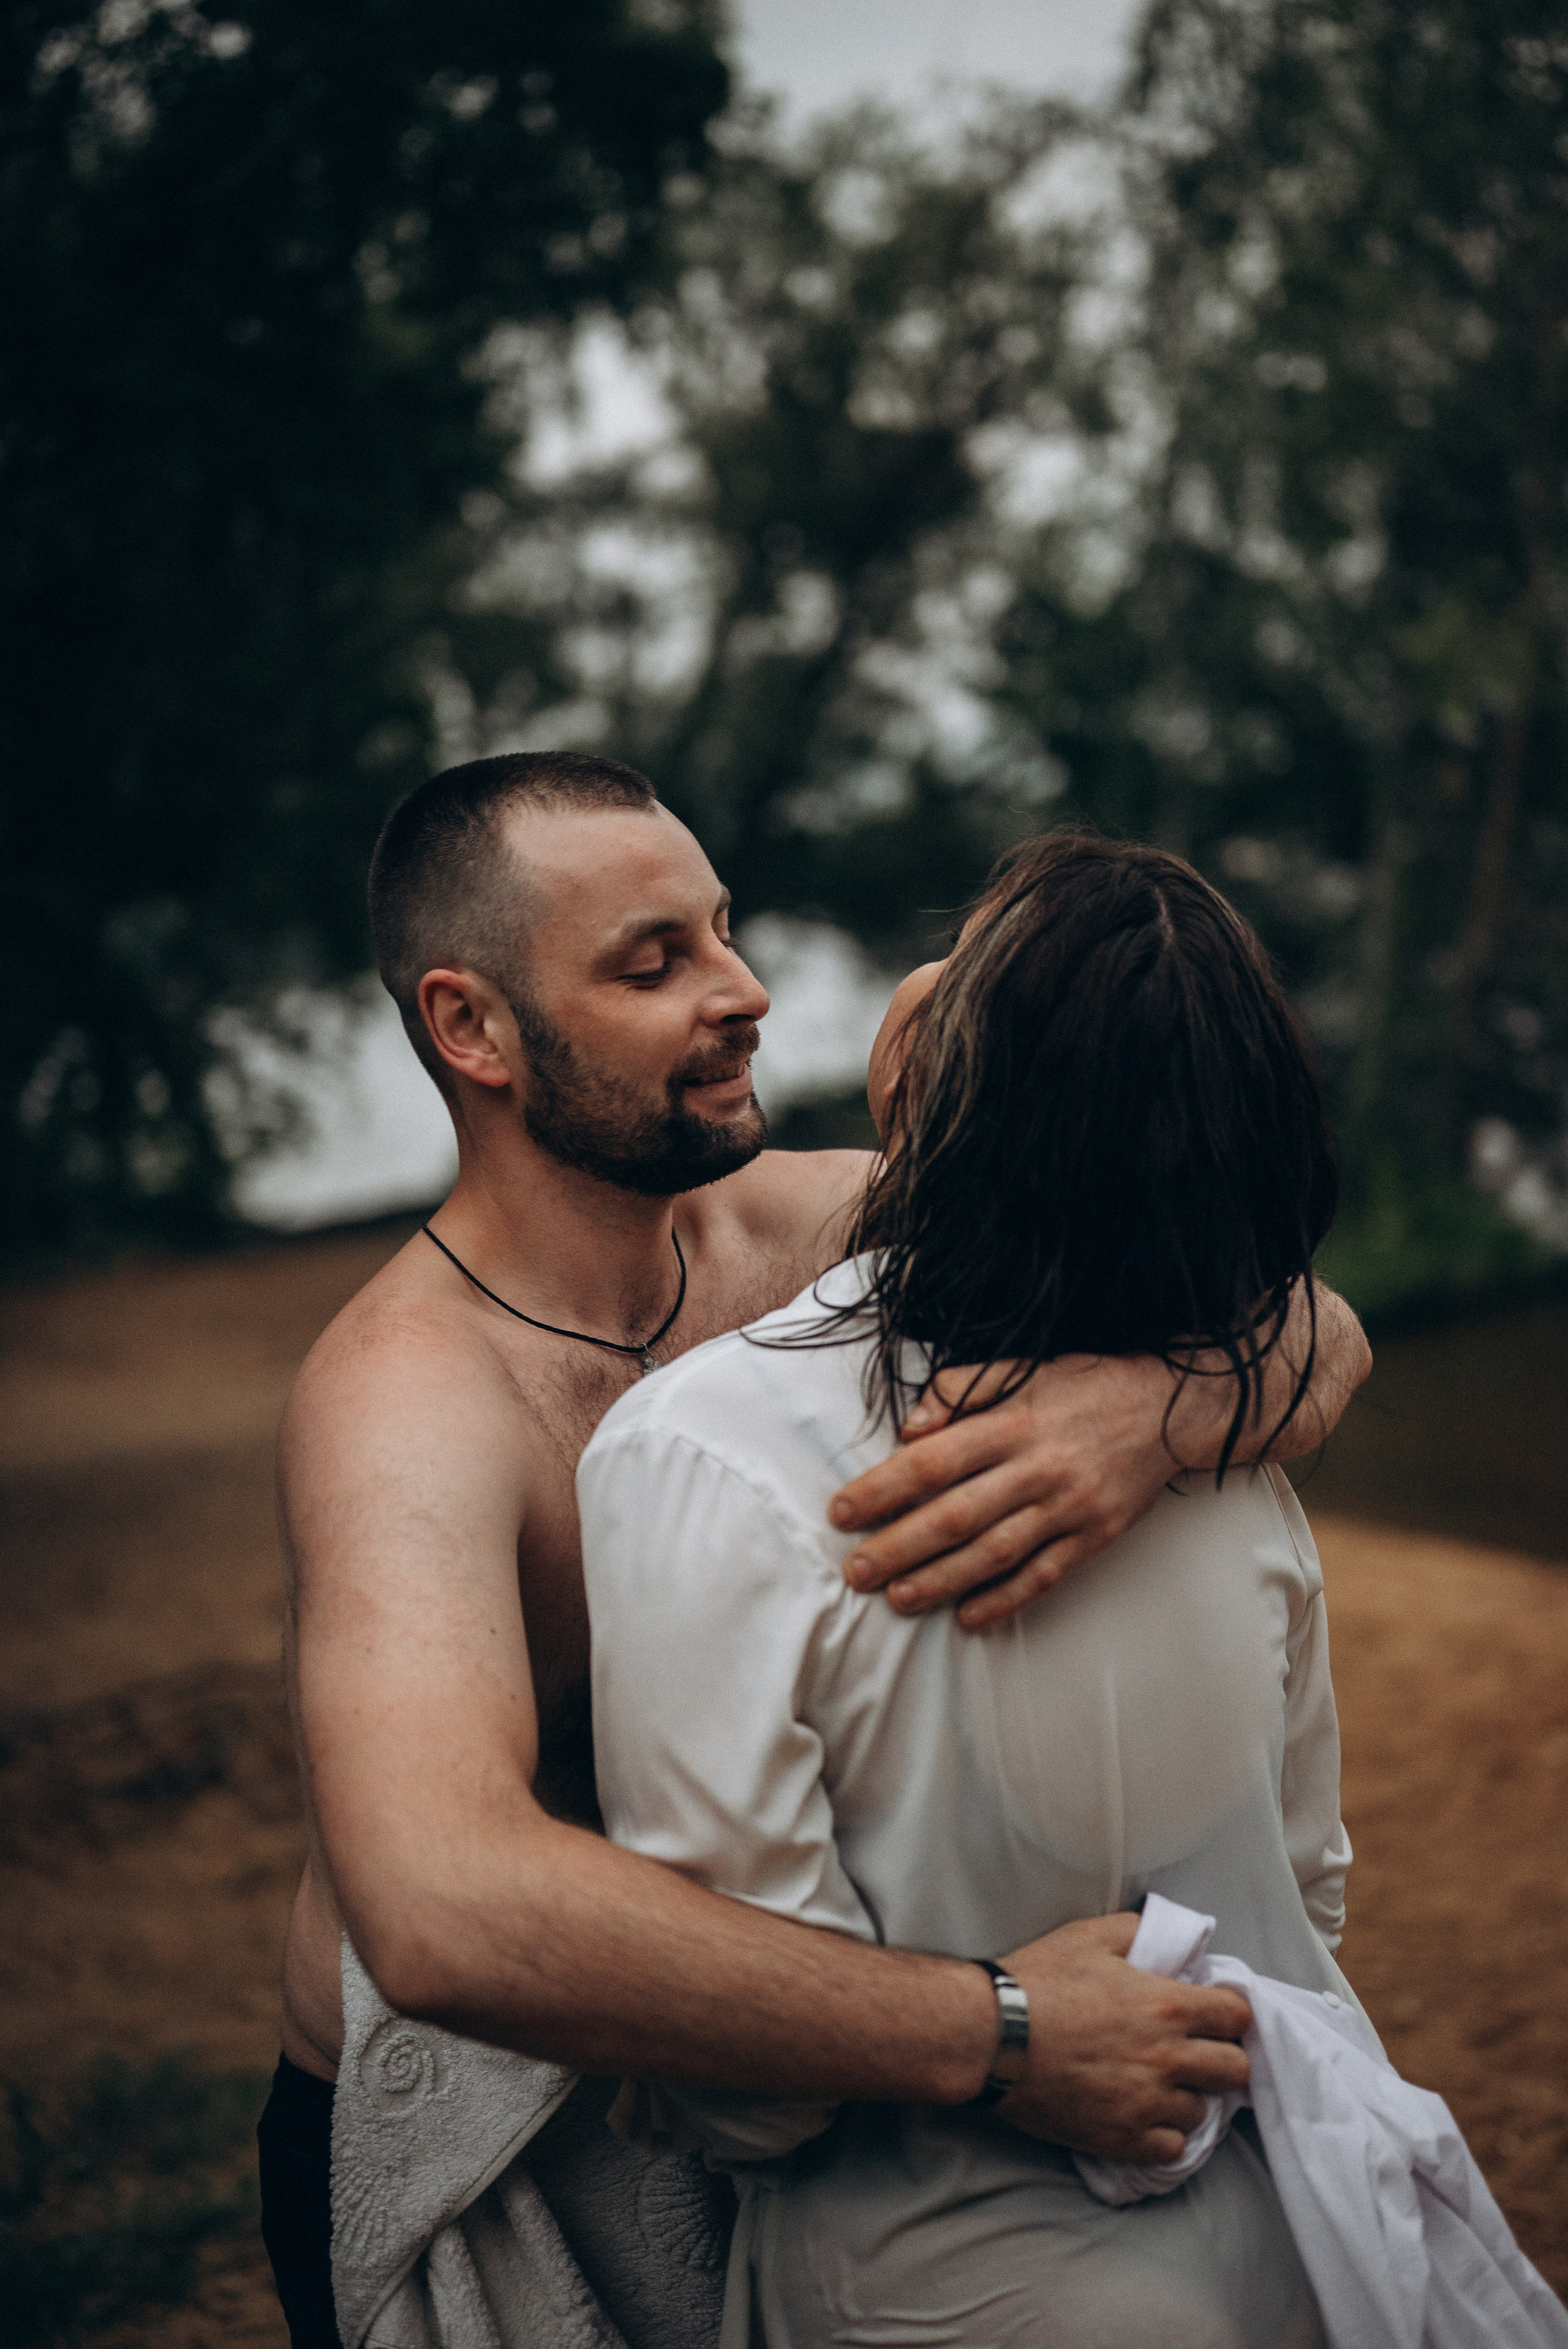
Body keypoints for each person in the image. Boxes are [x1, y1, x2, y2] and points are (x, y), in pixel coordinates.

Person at [267, 758, 1371, 2347]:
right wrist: (1000, 2027)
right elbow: (440, 1907)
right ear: (471, 1027)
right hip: (514, 2127)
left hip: (795, 2085)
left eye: (725, 931)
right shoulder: (409, 1403)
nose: (747, 992)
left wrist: (1157, 1409)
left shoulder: (829, 1227)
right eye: (655, 963)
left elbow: (1294, 1310)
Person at [577, 832, 1375, 2347]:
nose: (923, 975)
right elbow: (1305, 1890)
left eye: (969, 955)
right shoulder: (1225, 1426)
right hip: (1288, 2244)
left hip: (929, 2286)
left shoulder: (699, 1453)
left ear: (942, 1085)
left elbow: (742, 2091)